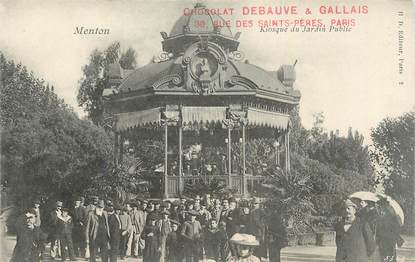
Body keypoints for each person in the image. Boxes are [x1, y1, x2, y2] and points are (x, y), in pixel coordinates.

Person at [376, 198, 402, 262]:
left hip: (387, 241)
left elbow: (395, 229)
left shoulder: (389, 216)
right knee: (387, 258)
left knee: (388, 258)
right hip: (385, 242)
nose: (380, 208)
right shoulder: (383, 215)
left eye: (380, 206)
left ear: (384, 206)